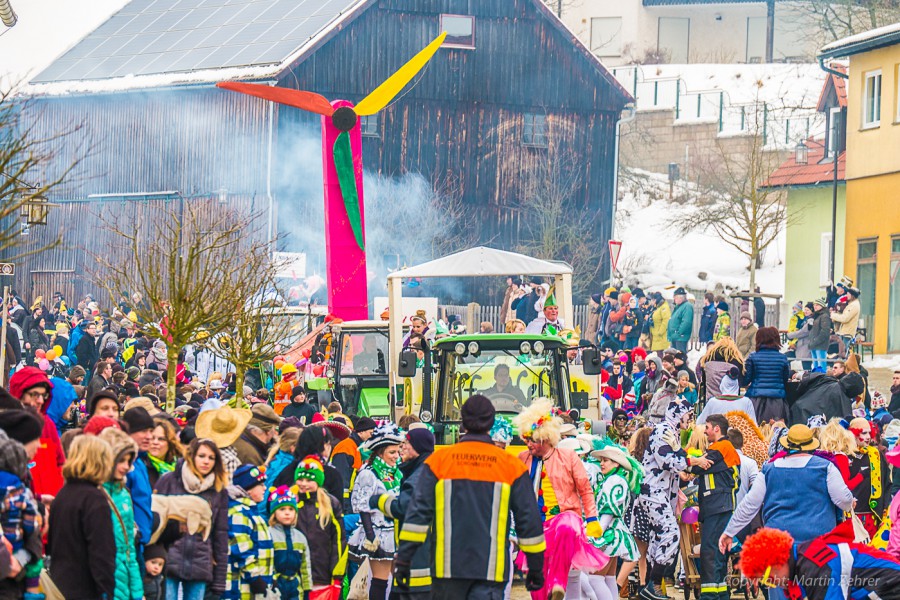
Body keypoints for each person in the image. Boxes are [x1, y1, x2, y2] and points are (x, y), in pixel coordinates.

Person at [395, 395, 546, 600]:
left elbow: (417, 516)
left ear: (463, 423)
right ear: (491, 424)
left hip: (446, 571)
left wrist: (404, 561)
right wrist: (535, 567)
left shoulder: (439, 462)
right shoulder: (511, 467)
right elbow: (528, 521)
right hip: (490, 572)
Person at [719, 424, 855, 600]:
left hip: (778, 546)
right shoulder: (825, 467)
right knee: (818, 592)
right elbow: (843, 501)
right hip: (817, 545)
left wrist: (729, 532)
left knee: (781, 595)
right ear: (812, 445)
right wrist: (851, 501)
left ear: (787, 445)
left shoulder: (769, 469)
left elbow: (749, 505)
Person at [513, 398, 608, 598]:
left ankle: (557, 583)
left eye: (531, 439)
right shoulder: (522, 459)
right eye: (526, 439)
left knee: (568, 527)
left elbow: (585, 489)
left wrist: (591, 519)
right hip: (536, 524)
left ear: (544, 438)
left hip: (565, 515)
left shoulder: (568, 457)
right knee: (535, 572)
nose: (527, 444)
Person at [633, 396, 706, 600]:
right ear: (678, 414)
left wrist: (695, 465)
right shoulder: (663, 430)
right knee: (670, 534)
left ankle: (650, 587)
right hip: (653, 492)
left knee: (658, 538)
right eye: (688, 415)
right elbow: (668, 460)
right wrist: (694, 461)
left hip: (660, 493)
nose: (690, 420)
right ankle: (653, 585)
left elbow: (680, 458)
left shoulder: (670, 432)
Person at [154, 438, 230, 600]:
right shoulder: (170, 480)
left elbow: (220, 535)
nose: (206, 461)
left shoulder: (218, 490)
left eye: (211, 458)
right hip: (168, 560)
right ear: (192, 456)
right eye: (202, 456)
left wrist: (219, 580)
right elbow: (155, 521)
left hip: (200, 562)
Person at [738, 524, 900, 600]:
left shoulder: (814, 566)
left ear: (776, 562)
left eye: (769, 579)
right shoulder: (803, 562)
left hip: (890, 588)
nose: (775, 584)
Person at [368, 426, 435, 599]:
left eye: (407, 443)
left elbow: (403, 508)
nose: (402, 448)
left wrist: (379, 500)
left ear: (418, 447)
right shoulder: (421, 469)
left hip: (417, 565)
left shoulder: (420, 474)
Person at [48, 435, 117, 600]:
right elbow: (102, 553)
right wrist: (106, 592)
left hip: (60, 584)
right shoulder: (94, 499)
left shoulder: (62, 495)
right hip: (86, 588)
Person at [686, 415, 740, 600]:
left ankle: (710, 596)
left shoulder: (721, 447)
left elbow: (698, 468)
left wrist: (688, 461)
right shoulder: (723, 448)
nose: (706, 431)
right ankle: (720, 593)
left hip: (717, 506)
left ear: (717, 429)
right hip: (719, 505)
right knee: (717, 551)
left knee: (710, 550)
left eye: (708, 427)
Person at [349, 423, 405, 600]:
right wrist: (371, 536)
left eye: (398, 451)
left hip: (397, 532)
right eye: (392, 452)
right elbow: (362, 506)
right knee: (380, 582)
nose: (396, 456)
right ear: (380, 452)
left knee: (398, 582)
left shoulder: (397, 473)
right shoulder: (368, 473)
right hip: (379, 533)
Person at [587, 439, 644, 600]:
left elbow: (608, 513)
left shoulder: (614, 481)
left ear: (616, 464)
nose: (602, 464)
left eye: (606, 460)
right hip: (613, 531)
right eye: (601, 460)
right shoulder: (615, 480)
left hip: (609, 534)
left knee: (595, 578)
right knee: (608, 578)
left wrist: (595, 533)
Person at [0, 412, 45, 600]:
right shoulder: (16, 483)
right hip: (12, 571)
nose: (40, 444)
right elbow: (31, 524)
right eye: (36, 438)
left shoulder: (21, 477)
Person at [98, 428, 145, 600]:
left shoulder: (124, 494)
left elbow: (129, 548)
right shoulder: (95, 494)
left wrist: (138, 591)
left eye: (128, 461)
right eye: (121, 460)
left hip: (125, 574)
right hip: (105, 578)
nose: (126, 466)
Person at [291, 456, 344, 597]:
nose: (303, 484)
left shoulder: (330, 504)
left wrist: (337, 573)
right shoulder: (290, 502)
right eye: (300, 479)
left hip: (322, 572)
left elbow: (339, 540)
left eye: (309, 480)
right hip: (295, 573)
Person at [8, 366, 65, 499]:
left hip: (50, 504)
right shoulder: (6, 427)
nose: (40, 401)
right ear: (19, 393)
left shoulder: (48, 425)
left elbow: (60, 462)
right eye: (34, 394)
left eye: (43, 395)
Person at [224, 464, 274, 600]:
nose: (265, 488)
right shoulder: (238, 512)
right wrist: (255, 578)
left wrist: (269, 578)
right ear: (249, 489)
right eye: (261, 485)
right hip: (241, 589)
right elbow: (241, 550)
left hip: (256, 587)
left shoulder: (251, 512)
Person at [266, 486, 312, 600]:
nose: (287, 513)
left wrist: (307, 589)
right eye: (282, 509)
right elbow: (266, 563)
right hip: (275, 586)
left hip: (295, 586)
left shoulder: (300, 538)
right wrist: (271, 581)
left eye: (291, 509)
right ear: (274, 513)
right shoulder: (268, 534)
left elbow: (306, 567)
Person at [847, 418, 890, 537]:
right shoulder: (843, 456)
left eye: (869, 433)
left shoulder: (876, 455)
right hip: (850, 516)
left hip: (872, 515)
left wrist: (885, 510)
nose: (868, 437)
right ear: (853, 434)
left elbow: (886, 484)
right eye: (863, 433)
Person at [742, 326, 790, 424]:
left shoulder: (752, 357)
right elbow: (785, 380)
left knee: (756, 431)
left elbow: (746, 380)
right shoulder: (782, 358)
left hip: (756, 400)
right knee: (776, 431)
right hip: (777, 401)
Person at [329, 416, 376, 511]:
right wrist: (345, 505)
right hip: (345, 501)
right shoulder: (346, 447)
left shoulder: (357, 447)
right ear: (361, 432)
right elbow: (342, 477)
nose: (373, 437)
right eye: (371, 433)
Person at [791, 371, 865, 424]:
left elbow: (808, 377)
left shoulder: (828, 379)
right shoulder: (844, 404)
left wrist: (798, 374)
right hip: (809, 425)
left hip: (796, 409)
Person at [148, 418, 185, 487]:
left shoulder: (180, 467)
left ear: (170, 443)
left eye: (161, 439)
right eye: (152, 438)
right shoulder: (139, 466)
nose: (155, 442)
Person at [830, 286, 861, 354]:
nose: (846, 295)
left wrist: (833, 315)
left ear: (852, 295)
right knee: (842, 352)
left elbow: (845, 318)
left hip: (847, 333)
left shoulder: (854, 305)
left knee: (843, 353)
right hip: (844, 332)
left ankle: (845, 364)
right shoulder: (850, 304)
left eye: (848, 293)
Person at [807, 298, 832, 373]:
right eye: (814, 305)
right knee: (815, 366)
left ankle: (822, 380)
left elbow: (825, 331)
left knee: (821, 366)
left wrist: (816, 341)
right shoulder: (816, 316)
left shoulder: (824, 316)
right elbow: (811, 330)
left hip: (820, 345)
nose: (815, 306)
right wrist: (810, 324)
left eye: (817, 305)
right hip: (813, 344)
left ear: (822, 306)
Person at [667, 288, 693, 353]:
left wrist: (678, 333)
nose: (674, 299)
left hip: (680, 337)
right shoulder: (679, 306)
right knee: (674, 356)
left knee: (680, 356)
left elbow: (686, 322)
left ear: (681, 298)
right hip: (676, 337)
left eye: (675, 297)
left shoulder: (687, 306)